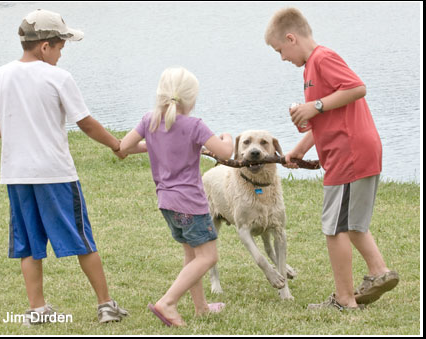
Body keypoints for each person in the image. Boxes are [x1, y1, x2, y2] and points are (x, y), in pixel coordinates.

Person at [0, 9, 128, 325]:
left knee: (29, 244)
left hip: (17, 176)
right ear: (45, 46)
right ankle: (105, 305)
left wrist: (20, 133)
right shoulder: (58, 77)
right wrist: (116, 145)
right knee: (81, 238)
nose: (61, 55)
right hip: (55, 173)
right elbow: (85, 123)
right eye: (60, 48)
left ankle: (37, 309)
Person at [264, 7, 399, 311]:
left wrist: (315, 106)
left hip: (348, 154)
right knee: (351, 223)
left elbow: (356, 88)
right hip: (357, 150)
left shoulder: (322, 58)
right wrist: (299, 149)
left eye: (280, 50)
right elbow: (329, 116)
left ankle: (344, 300)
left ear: (291, 38)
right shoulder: (310, 69)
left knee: (333, 228)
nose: (282, 58)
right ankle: (379, 273)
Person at [120, 67, 233, 326]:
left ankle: (201, 307)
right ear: (191, 99)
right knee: (208, 257)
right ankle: (167, 302)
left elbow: (124, 147)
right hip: (191, 205)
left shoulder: (150, 120)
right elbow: (225, 153)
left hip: (167, 204)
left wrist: (154, 143)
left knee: (192, 255)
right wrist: (228, 138)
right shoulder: (195, 125)